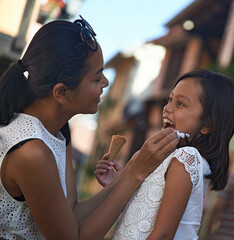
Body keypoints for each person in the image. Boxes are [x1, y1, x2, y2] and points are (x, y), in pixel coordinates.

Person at [0, 16, 179, 239]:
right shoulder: (31, 152)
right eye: (96, 78)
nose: (105, 82)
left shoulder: (58, 131)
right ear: (62, 92)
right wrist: (136, 173)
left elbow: (71, 215)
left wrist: (133, 166)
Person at [94, 69, 234, 239]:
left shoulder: (187, 157)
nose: (166, 108)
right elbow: (143, 215)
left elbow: (163, 235)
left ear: (207, 125)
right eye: (170, 99)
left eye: (180, 104)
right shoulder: (170, 159)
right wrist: (118, 183)